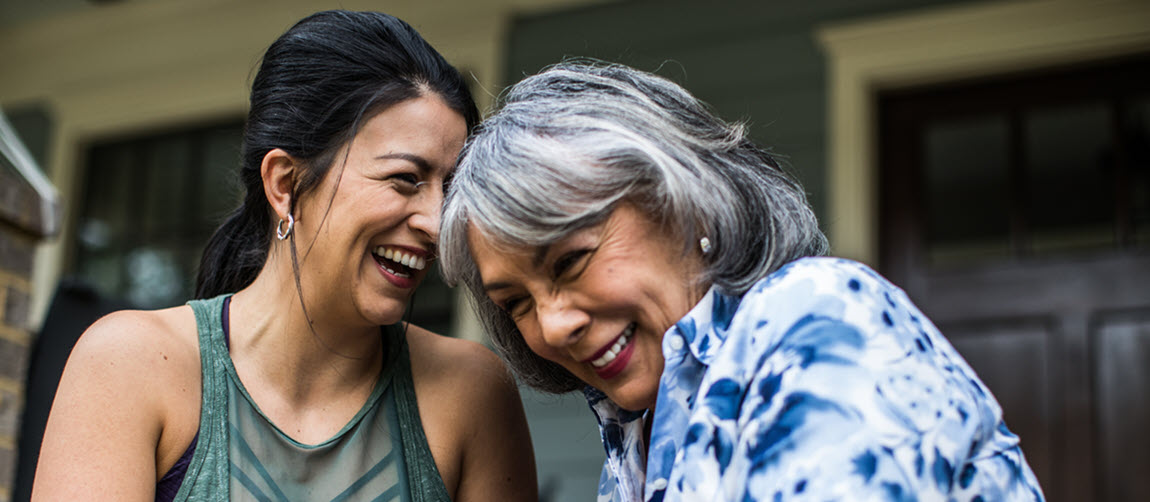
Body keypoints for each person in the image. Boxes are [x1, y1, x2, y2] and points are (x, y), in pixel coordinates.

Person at [438, 61, 1045, 501]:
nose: (553, 325)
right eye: (515, 302)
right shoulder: (640, 431)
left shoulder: (816, 320)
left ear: (688, 203)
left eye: (571, 261)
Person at [33, 10, 536, 501]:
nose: (435, 222)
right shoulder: (130, 364)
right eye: (405, 179)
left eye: (449, 191)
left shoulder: (473, 392)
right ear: (285, 183)